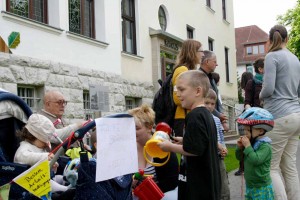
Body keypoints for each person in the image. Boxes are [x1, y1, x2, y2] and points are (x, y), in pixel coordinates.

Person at [157, 70, 221, 200]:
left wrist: (169, 147)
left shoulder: (194, 116)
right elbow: (203, 142)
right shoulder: (207, 115)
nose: (177, 94)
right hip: (209, 184)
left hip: (198, 188)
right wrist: (184, 139)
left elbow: (194, 150)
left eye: (181, 89)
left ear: (198, 91)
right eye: (176, 89)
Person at [259, 24, 300, 200]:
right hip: (296, 115)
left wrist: (260, 96)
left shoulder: (271, 57)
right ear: (287, 39)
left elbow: (268, 89)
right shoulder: (295, 58)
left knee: (271, 167)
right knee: (289, 166)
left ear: (270, 40)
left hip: (279, 116)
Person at [128, 104, 179, 194]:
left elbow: (172, 182)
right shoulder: (127, 148)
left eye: (137, 128)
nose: (132, 132)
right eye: (129, 128)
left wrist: (145, 190)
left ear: (150, 127)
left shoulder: (162, 146)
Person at [14, 114, 70, 192]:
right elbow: (23, 157)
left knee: (59, 177)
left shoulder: (40, 147)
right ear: (33, 136)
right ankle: (66, 190)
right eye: (44, 141)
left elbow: (46, 164)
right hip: (31, 184)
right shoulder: (24, 147)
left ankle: (68, 182)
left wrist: (52, 165)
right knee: (49, 184)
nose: (47, 144)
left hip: (45, 177)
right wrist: (45, 157)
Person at [235, 107, 275, 199]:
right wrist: (239, 148)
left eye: (248, 130)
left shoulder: (265, 146)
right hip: (250, 185)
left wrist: (248, 147)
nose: (245, 133)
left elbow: (256, 160)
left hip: (261, 187)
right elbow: (239, 158)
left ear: (261, 131)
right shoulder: (251, 143)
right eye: (244, 130)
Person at [172, 39, 204, 137]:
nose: (203, 55)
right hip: (184, 118)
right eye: (201, 51)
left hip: (189, 116)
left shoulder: (190, 70)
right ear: (192, 52)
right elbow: (177, 98)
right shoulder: (182, 70)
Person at [205, 89, 230, 200]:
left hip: (219, 157)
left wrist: (223, 147)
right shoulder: (200, 118)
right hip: (208, 157)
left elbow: (221, 136)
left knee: (223, 181)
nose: (210, 106)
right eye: (207, 103)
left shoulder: (216, 119)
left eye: (212, 104)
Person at [200, 50, 228, 131]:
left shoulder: (211, 77)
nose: (217, 64)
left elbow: (217, 100)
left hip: (215, 119)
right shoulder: (198, 77)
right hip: (206, 118)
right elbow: (202, 100)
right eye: (214, 61)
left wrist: (222, 118)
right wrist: (218, 115)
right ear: (207, 61)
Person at [235, 71, 254, 176]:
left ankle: (241, 167)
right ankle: (248, 166)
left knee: (242, 142)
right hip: (252, 118)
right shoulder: (254, 87)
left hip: (244, 118)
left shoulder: (245, 90)